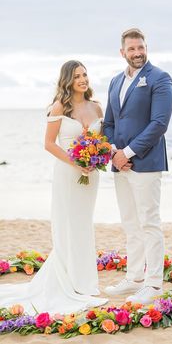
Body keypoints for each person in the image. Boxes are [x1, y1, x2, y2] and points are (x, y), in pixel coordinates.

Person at [0, 60, 108, 314]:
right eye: (77, 76)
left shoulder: (97, 107)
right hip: (68, 174)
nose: (83, 79)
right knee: (67, 225)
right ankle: (68, 281)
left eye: (84, 74)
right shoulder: (60, 106)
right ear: (67, 80)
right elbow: (49, 144)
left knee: (83, 224)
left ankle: (84, 282)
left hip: (90, 175)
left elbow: (103, 139)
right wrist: (76, 162)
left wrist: (97, 157)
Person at [103, 28, 172, 304]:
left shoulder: (160, 78)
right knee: (130, 223)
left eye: (141, 47)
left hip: (145, 163)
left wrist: (129, 152)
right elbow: (109, 123)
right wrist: (113, 152)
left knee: (149, 223)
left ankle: (154, 284)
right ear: (122, 52)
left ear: (146, 48)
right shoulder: (114, 82)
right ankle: (133, 278)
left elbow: (159, 123)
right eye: (131, 49)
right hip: (119, 164)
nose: (137, 53)